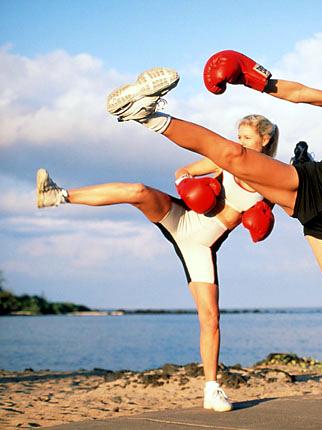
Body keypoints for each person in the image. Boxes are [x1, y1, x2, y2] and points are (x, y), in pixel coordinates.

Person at [105, 46, 322, 429]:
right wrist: (255, 79)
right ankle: (146, 115)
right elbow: (304, 94)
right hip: (314, 185)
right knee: (233, 156)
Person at [36, 111, 279, 412]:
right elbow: (184, 170)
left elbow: (287, 205)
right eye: (238, 136)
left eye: (246, 138)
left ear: (265, 140)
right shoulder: (225, 158)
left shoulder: (272, 177)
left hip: (201, 246)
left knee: (210, 318)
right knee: (138, 191)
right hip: (182, 218)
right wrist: (189, 185)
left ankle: (212, 389)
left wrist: (264, 218)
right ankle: (57, 195)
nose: (238, 142)